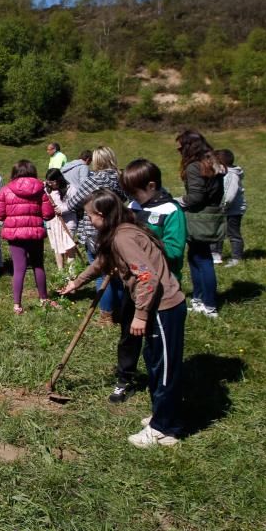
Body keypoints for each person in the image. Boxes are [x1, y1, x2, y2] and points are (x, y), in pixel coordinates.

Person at [59, 189, 187, 448]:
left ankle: (164, 429)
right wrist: (77, 282)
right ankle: (164, 417)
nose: (88, 220)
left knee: (164, 369)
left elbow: (147, 277)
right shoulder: (122, 230)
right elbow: (103, 263)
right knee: (154, 363)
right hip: (156, 307)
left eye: (90, 216)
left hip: (163, 308)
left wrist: (139, 315)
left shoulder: (123, 238)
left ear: (103, 215)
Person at [115, 159, 187, 404]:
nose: (132, 197)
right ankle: (125, 378)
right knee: (128, 333)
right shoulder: (133, 205)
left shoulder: (172, 211)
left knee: (155, 340)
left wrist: (142, 244)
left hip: (159, 289)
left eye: (134, 191)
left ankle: (159, 383)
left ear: (152, 185)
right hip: (133, 286)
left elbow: (176, 250)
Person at [63, 146, 126, 323]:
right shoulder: (119, 179)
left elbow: (75, 202)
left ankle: (106, 314)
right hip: (116, 229)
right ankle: (121, 311)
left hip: (94, 230)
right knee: (116, 271)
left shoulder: (94, 180)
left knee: (100, 271)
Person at [0, 160, 56, 315]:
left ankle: (17, 305)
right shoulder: (40, 190)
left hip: (16, 235)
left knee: (19, 269)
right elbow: (48, 214)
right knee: (38, 265)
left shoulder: (6, 190)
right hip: (35, 234)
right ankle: (43, 299)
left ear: (14, 173)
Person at [176, 130, 226, 318]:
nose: (179, 151)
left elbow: (196, 197)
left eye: (181, 147)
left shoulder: (194, 167)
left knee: (203, 260)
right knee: (196, 257)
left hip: (199, 218)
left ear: (189, 147)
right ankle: (199, 299)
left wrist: (177, 201)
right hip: (211, 216)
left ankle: (209, 304)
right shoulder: (213, 163)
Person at [214, 149, 246, 267]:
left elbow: (229, 195)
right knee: (217, 232)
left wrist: (222, 206)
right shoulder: (222, 173)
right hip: (222, 209)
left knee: (233, 233)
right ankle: (216, 255)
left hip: (232, 210)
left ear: (221, 163)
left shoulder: (231, 175)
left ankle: (236, 258)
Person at [44, 169, 78, 272]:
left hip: (67, 222)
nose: (51, 184)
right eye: (48, 182)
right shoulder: (47, 189)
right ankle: (61, 273)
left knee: (69, 248)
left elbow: (75, 203)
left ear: (58, 179)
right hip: (54, 223)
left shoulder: (70, 188)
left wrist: (62, 209)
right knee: (57, 248)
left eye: (52, 182)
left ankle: (72, 275)